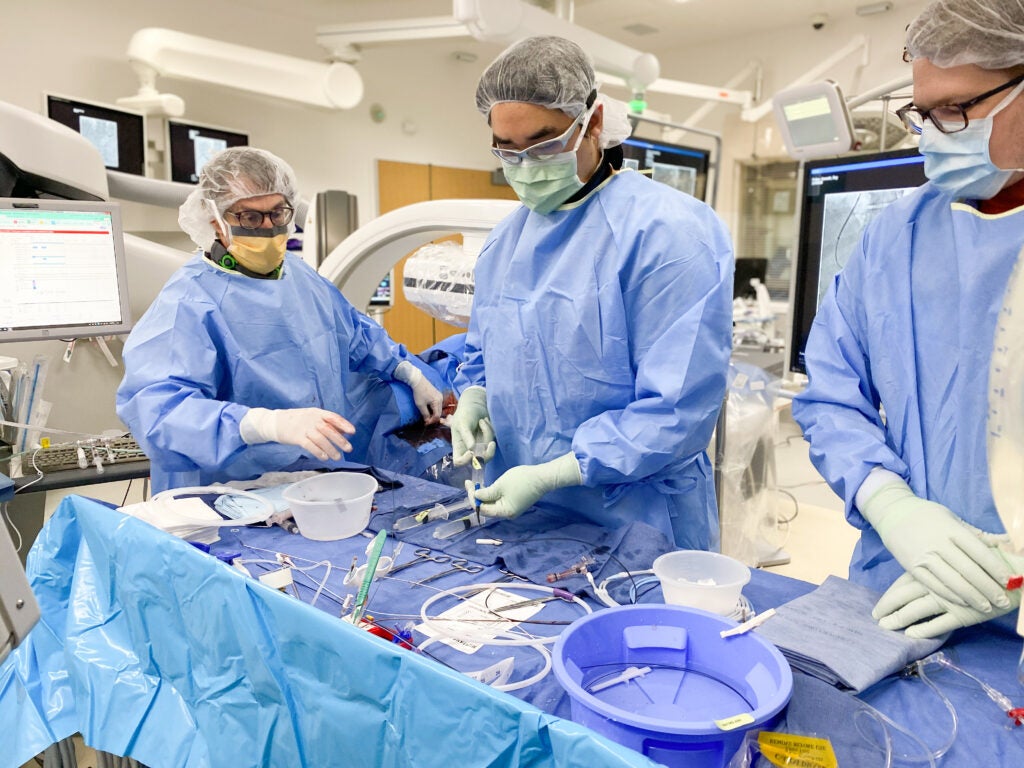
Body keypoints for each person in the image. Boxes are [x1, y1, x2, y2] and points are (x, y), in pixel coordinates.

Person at [792, 0, 1024, 639]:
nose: (932, 134)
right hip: (894, 587)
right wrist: (888, 503)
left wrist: (1017, 573)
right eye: (923, 114)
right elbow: (832, 393)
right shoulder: (896, 235)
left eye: (956, 109)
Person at [449, 36, 735, 550]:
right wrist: (476, 397)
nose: (527, 165)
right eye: (508, 151)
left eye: (544, 144)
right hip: (522, 513)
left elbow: (677, 411)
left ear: (594, 123)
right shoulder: (505, 242)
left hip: (636, 518)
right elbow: (485, 352)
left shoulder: (668, 234)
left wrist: (558, 471)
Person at [117, 147, 442, 493]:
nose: (268, 228)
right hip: (227, 495)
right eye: (250, 218)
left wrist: (407, 371)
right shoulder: (188, 302)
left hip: (315, 477)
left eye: (277, 213)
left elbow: (355, 334)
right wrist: (266, 424)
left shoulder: (300, 277)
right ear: (216, 221)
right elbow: (160, 412)